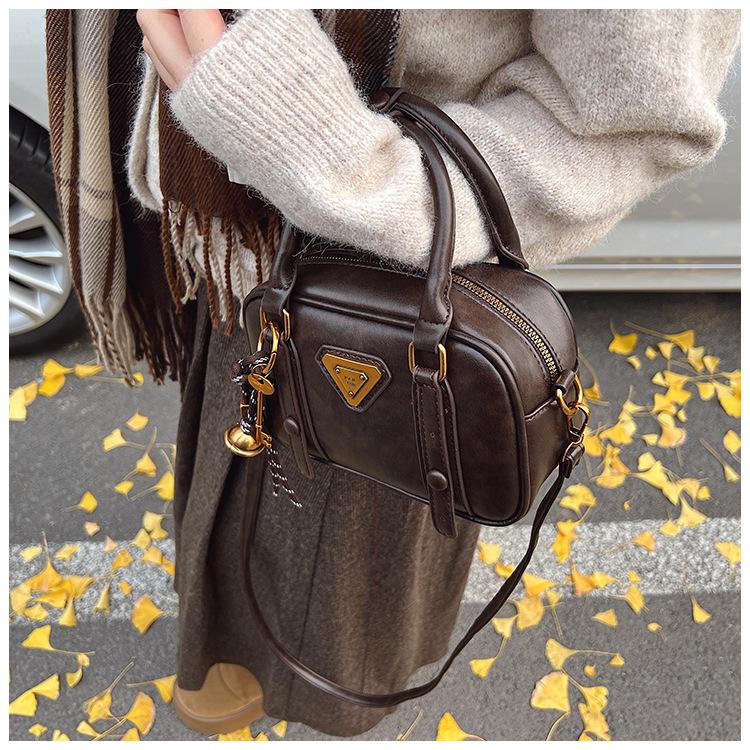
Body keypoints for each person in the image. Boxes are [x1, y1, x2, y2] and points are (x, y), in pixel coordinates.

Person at [48, 8, 739, 738]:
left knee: (342, 581)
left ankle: (304, 695)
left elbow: (627, 128)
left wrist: (325, 159)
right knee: (237, 498)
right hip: (236, 255)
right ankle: (230, 658)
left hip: (391, 322)